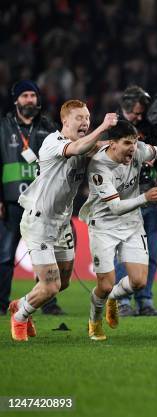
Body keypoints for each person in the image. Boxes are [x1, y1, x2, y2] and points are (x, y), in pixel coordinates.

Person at [8, 100, 117, 341]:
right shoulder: (52, 142)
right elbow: (77, 149)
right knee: (50, 286)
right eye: (79, 118)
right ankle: (20, 316)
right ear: (65, 121)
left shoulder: (85, 145)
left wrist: (123, 145)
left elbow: (97, 147)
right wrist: (103, 127)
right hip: (39, 223)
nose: (85, 122)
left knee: (63, 282)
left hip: (63, 224)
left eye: (87, 118)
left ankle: (23, 304)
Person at [79, 120, 157, 340]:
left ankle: (112, 298)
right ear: (112, 144)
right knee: (104, 285)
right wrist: (145, 197)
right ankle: (95, 321)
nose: (132, 148)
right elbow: (115, 207)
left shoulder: (138, 151)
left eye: (134, 142)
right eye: (126, 143)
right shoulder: (99, 166)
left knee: (139, 281)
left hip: (132, 224)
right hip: (104, 226)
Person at [0, 80, 56, 315]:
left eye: (33, 95)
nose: (29, 100)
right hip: (12, 201)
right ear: (16, 100)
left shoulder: (48, 127)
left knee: (47, 253)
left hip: (41, 202)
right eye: (24, 96)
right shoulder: (3, 127)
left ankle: (48, 304)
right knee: (4, 254)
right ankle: (2, 304)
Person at [112, 86, 157, 317]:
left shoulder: (150, 128)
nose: (140, 116)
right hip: (125, 200)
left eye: (143, 112)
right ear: (125, 108)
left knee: (152, 254)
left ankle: (145, 300)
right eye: (136, 112)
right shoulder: (112, 129)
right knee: (124, 255)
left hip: (150, 198)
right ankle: (122, 302)